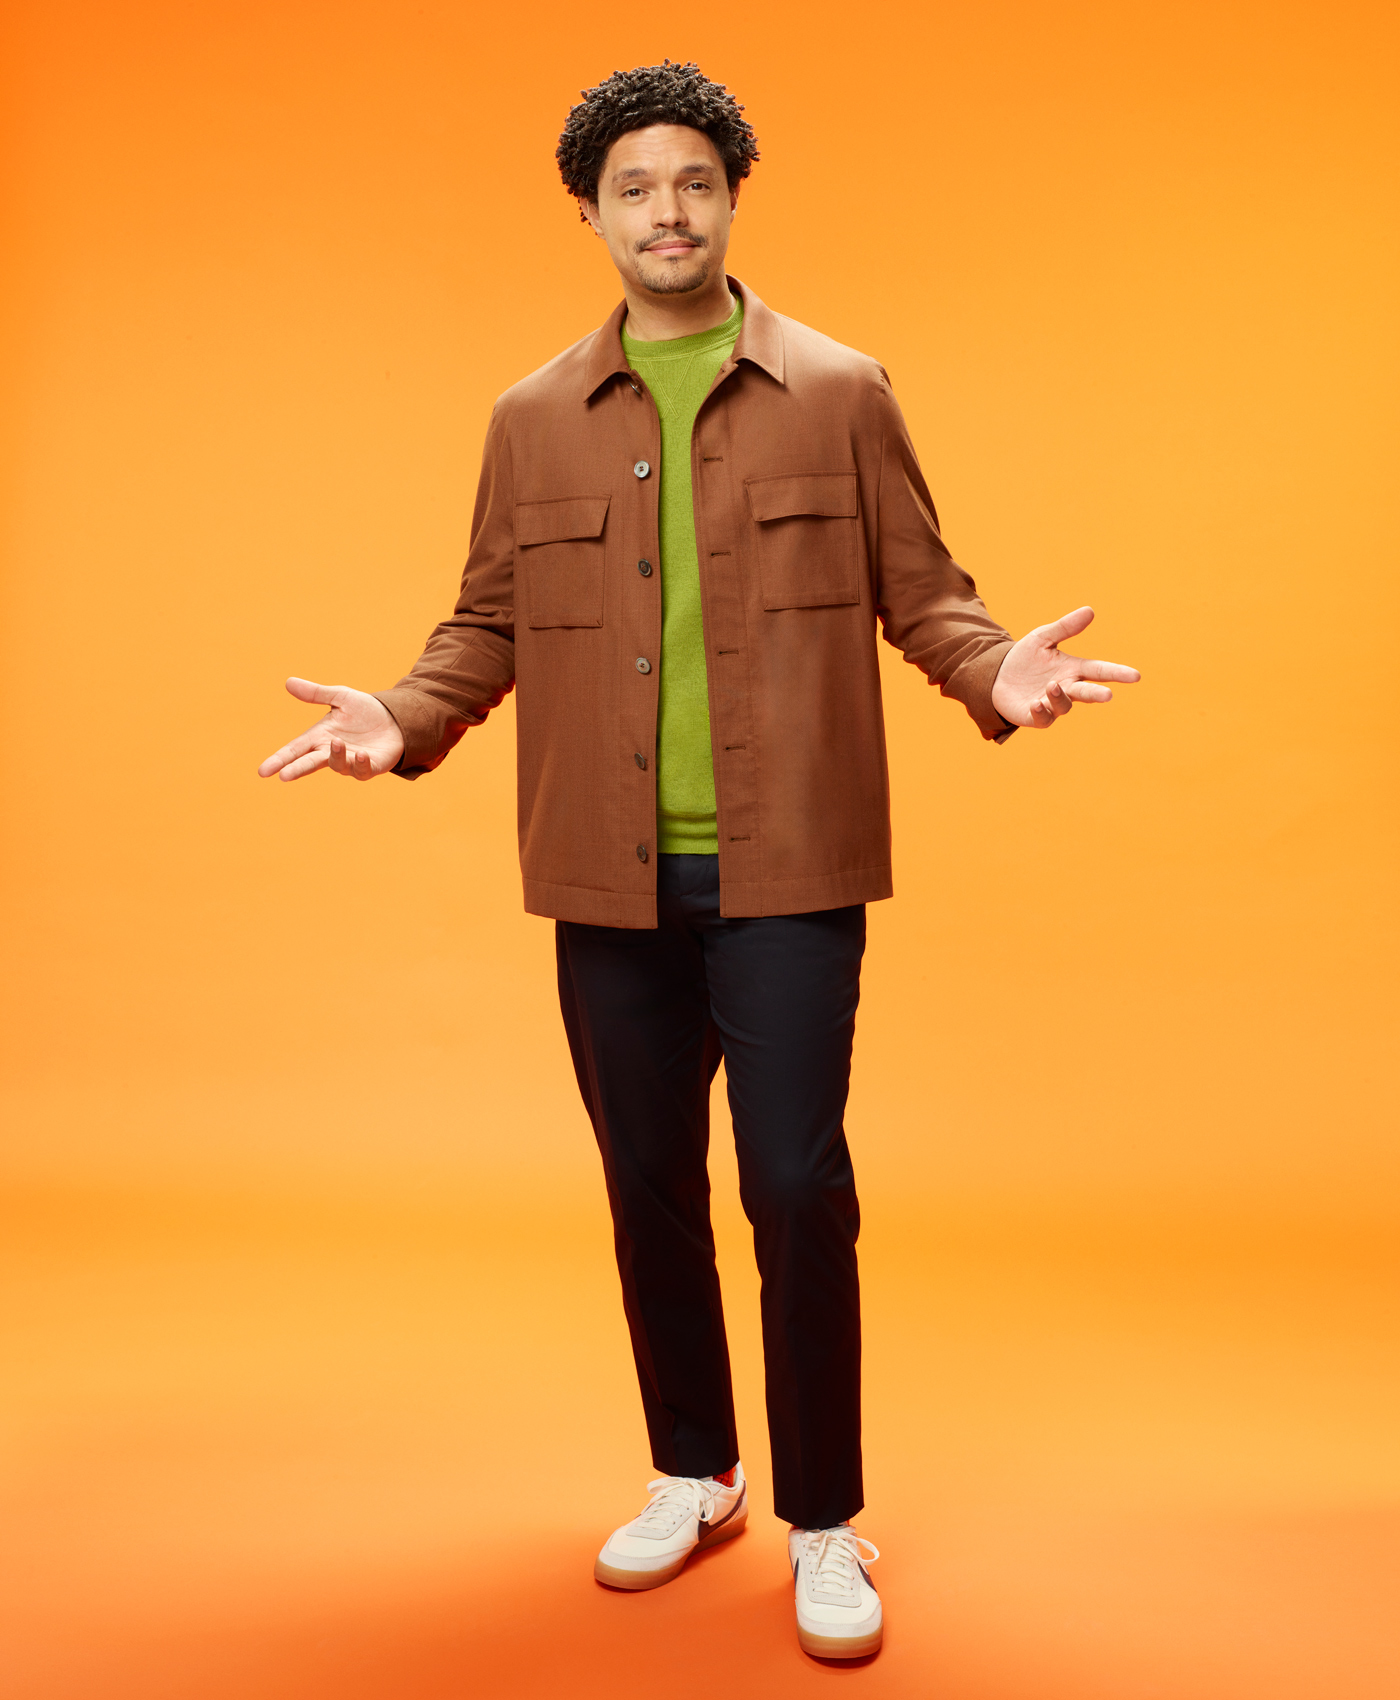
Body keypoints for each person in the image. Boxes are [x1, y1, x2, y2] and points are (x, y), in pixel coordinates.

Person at [258, 59, 1139, 1661]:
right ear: (590, 212)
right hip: (605, 879)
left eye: (696, 184)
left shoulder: (842, 388)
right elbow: (487, 620)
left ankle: (824, 1520)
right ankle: (696, 1471)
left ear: (734, 197)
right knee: (647, 1185)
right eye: (635, 189)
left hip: (792, 865)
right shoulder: (532, 418)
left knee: (798, 1186)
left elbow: (926, 591)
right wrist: (399, 714)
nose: (669, 213)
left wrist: (994, 670)